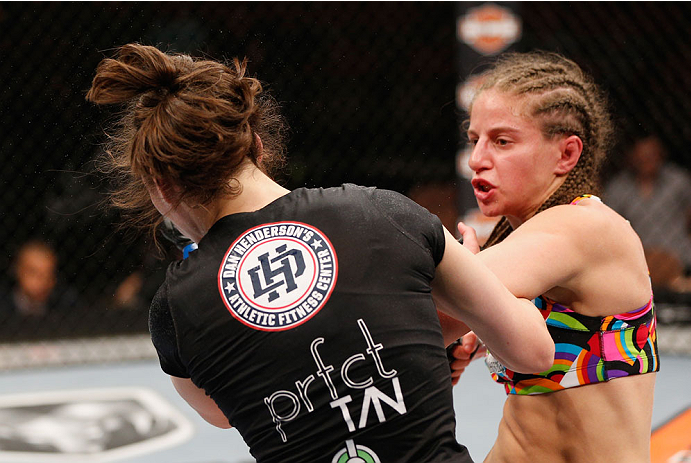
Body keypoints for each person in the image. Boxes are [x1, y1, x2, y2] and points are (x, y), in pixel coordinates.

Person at [86, 43, 554, 463]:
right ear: (256, 145)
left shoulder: (174, 311)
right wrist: (471, 293)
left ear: (160, 186)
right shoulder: (382, 212)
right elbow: (532, 351)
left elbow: (222, 414)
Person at [448, 51, 659, 462]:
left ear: (566, 154)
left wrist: (461, 288)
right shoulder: (515, 235)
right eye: (475, 140)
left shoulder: (585, 228)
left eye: (502, 141)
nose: (476, 160)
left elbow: (431, 296)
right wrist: (468, 334)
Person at [603, 133, 691, 291]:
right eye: (642, 157)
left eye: (651, 155)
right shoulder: (619, 187)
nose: (646, 161)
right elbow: (609, 228)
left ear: (661, 155)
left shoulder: (679, 181)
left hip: (681, 261)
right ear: (631, 157)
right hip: (636, 263)